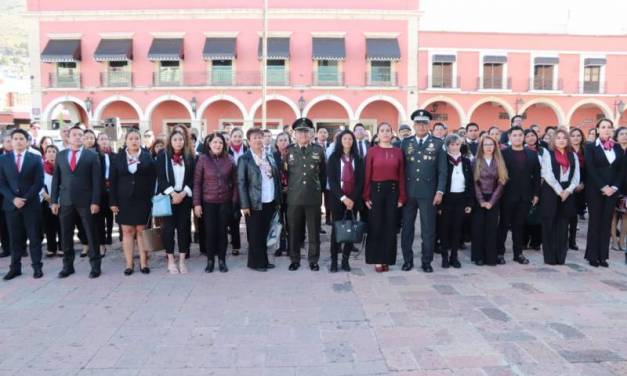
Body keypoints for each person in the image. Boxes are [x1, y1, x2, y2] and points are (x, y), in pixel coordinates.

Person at [51, 126, 102, 279]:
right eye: (74, 135)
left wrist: (95, 201)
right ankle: (67, 266)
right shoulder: (60, 156)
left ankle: (95, 266)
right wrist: (54, 200)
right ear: (68, 137)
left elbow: (97, 181)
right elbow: (56, 180)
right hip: (66, 201)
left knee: (91, 234)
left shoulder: (91, 156)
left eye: (81, 135)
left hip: (86, 202)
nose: (78, 137)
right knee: (66, 235)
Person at [400, 110, 447, 273]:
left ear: (429, 125)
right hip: (409, 192)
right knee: (407, 228)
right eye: (418, 123)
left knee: (428, 229)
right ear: (414, 125)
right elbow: (401, 170)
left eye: (424, 123)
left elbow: (442, 171)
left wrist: (440, 191)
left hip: (429, 193)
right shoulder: (405, 143)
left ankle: (427, 261)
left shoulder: (439, 143)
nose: (421, 126)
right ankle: (407, 260)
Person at [109, 129, 156, 275]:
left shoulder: (148, 157)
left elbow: (153, 180)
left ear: (140, 140)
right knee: (127, 231)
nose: (134, 141)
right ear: (126, 141)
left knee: (142, 231)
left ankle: (144, 263)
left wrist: (153, 199)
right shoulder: (118, 158)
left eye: (137, 138)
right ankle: (129, 264)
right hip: (124, 201)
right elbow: (113, 181)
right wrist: (113, 202)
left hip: (143, 200)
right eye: (131, 138)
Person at [0, 129, 44, 280]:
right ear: (11, 142)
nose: (18, 141)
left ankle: (37, 267)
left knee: (34, 237)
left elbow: (38, 183)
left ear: (27, 141)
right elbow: (1, 183)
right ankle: (15, 268)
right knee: (14, 239)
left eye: (21, 138)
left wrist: (24, 199)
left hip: (31, 205)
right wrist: (13, 199)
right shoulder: (3, 160)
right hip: (11, 206)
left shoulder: (35, 159)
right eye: (15, 138)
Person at [285, 118, 326, 271]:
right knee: (294, 231)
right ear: (294, 134)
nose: (303, 134)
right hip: (294, 198)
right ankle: (294, 259)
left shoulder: (318, 150)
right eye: (299, 132)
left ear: (311, 134)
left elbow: (323, 174)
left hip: (312, 198)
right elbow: (285, 174)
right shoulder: (288, 151)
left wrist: (318, 191)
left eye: (306, 131)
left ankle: (313, 260)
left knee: (314, 231)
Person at [193, 132, 238, 273]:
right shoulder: (203, 159)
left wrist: (234, 201)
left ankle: (222, 260)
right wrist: (197, 203)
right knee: (210, 232)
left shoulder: (230, 159)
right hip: (208, 202)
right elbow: (197, 183)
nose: (217, 145)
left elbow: (236, 183)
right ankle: (210, 260)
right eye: (214, 142)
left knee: (222, 232)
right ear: (209, 144)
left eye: (220, 142)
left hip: (225, 202)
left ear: (224, 144)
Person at [364, 122, 405, 272]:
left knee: (390, 227)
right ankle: (376, 259)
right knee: (376, 226)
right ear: (378, 133)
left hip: (393, 192)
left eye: (388, 130)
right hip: (376, 191)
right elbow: (367, 174)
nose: (385, 133)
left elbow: (401, 175)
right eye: (382, 130)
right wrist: (366, 195)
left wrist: (402, 197)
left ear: (392, 133)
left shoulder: (398, 152)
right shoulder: (372, 151)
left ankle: (387, 258)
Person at [496, 126, 541, 265]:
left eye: (520, 135)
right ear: (509, 137)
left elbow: (537, 176)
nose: (518, 137)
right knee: (503, 225)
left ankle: (518, 254)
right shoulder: (503, 153)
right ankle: (499, 253)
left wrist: (536, 194)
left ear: (524, 137)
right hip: (507, 196)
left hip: (525, 196)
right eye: (514, 135)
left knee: (519, 225)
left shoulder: (532, 154)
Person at [238, 128, 281, 272]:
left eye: (260, 137)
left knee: (265, 232)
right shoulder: (245, 159)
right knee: (255, 233)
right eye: (255, 137)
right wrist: (244, 204)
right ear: (249, 141)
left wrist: (277, 198)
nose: (258, 140)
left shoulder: (268, 156)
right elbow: (241, 183)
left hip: (269, 199)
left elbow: (276, 176)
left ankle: (258, 260)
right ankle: (258, 263)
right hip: (254, 202)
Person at [584, 118, 624, 267]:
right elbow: (591, 168)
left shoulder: (618, 148)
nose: (606, 129)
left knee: (606, 223)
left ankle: (603, 256)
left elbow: (621, 170)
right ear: (597, 129)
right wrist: (603, 186)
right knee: (595, 222)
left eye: (609, 127)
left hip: (612, 191)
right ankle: (592, 256)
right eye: (603, 127)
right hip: (595, 190)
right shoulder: (590, 147)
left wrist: (614, 187)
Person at [540, 128, 580, 265]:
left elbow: (576, 176)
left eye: (564, 138)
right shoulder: (547, 153)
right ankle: (550, 257)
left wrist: (568, 190)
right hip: (551, 191)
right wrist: (559, 190)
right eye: (558, 138)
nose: (561, 140)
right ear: (553, 140)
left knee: (563, 225)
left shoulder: (572, 155)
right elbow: (547, 174)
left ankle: (560, 256)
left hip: (567, 192)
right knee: (549, 224)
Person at [156, 131, 194, 274]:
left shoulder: (189, 157)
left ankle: (182, 261)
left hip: (184, 198)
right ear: (170, 141)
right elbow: (160, 178)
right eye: (175, 139)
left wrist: (183, 193)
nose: (178, 142)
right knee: (168, 230)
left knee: (184, 229)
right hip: (168, 198)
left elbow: (192, 178)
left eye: (181, 139)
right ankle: (171, 260)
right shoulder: (162, 156)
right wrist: (173, 193)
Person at [327, 129, 364, 272]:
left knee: (350, 230)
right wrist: (343, 198)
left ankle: (345, 261)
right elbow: (332, 181)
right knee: (336, 231)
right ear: (340, 141)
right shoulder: (334, 158)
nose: (347, 141)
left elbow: (360, 181)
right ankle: (334, 261)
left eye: (350, 139)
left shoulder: (358, 159)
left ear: (353, 141)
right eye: (345, 139)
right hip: (338, 199)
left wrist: (352, 199)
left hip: (353, 200)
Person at [471, 136, 508, 266]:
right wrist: (481, 200)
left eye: (491, 144)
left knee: (492, 229)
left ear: (495, 146)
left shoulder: (499, 161)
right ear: (481, 146)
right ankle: (478, 257)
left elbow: (502, 182)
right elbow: (474, 183)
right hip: (478, 198)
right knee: (479, 228)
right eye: (486, 144)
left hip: (494, 198)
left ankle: (490, 257)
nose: (488, 147)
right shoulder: (475, 161)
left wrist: (492, 201)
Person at [439, 134, 473, 269]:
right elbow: (439, 181)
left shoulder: (465, 161)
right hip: (447, 199)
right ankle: (444, 257)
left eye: (457, 144)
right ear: (447, 146)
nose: (455, 147)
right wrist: (439, 204)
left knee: (457, 229)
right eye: (452, 144)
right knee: (445, 229)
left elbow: (470, 183)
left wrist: (469, 203)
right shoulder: (443, 160)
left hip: (461, 198)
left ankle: (454, 256)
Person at [523, 129, 544, 251]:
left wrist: (543, 179)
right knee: (525, 214)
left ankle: (536, 242)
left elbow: (547, 167)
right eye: (528, 136)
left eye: (533, 135)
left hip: (541, 185)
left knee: (537, 215)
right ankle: (523, 241)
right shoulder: (522, 150)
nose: (531, 138)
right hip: (526, 185)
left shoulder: (543, 151)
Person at [227, 127, 247, 256]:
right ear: (231, 138)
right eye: (235, 136)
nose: (237, 138)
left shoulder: (248, 150)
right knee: (234, 218)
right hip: (231, 189)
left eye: (240, 136)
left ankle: (253, 243)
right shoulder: (225, 151)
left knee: (250, 218)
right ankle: (236, 245)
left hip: (246, 188)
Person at [95, 132, 114, 256]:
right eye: (101, 139)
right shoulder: (95, 155)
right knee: (100, 218)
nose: (104, 141)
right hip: (99, 190)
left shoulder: (114, 155)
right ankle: (101, 244)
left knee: (110, 215)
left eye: (106, 139)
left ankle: (110, 236)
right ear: (98, 141)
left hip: (112, 189)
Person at [41, 145, 62, 257]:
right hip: (46, 200)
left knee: (61, 225)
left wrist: (57, 198)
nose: (51, 153)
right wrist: (46, 196)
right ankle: (51, 248)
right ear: (45, 154)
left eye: (54, 151)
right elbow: (38, 184)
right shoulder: (41, 167)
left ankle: (62, 247)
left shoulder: (62, 166)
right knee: (49, 225)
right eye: (48, 151)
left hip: (61, 200)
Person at [568, 128, 586, 250]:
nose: (575, 137)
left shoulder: (587, 151)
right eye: (573, 135)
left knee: (575, 216)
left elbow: (590, 169)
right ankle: (562, 239)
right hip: (567, 187)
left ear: (581, 137)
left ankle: (572, 241)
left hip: (582, 188)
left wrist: (583, 183)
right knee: (566, 215)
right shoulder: (566, 150)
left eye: (578, 135)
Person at [273, 132, 290, 257]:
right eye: (281, 140)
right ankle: (280, 246)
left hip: (292, 193)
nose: (283, 142)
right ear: (276, 143)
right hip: (277, 194)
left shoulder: (294, 155)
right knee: (279, 221)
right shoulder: (272, 156)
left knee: (291, 221)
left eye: (285, 140)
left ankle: (291, 246)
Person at [611, 127, 627, 251]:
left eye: (626, 134)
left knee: (626, 215)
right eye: (621, 134)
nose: (624, 136)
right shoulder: (612, 149)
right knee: (614, 214)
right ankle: (614, 241)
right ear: (616, 136)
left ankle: (622, 241)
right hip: (614, 186)